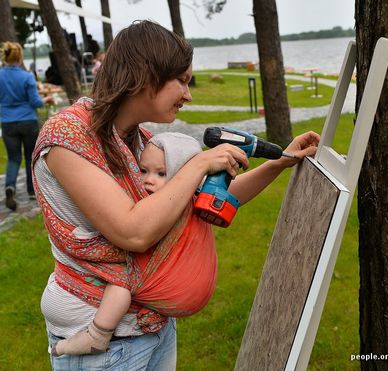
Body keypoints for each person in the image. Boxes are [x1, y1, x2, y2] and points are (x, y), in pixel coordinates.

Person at [32, 20, 320, 370]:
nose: (189, 94)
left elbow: (199, 202)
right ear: (145, 75)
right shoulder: (67, 136)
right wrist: (197, 165)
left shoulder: (136, 140)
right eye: (181, 81)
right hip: (104, 344)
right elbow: (132, 231)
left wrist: (279, 163)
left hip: (152, 326)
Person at [52, 132, 203, 356]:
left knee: (121, 284)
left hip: (152, 265)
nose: (148, 179)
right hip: (149, 265)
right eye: (143, 171)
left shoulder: (179, 202)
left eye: (162, 173)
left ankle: (97, 335)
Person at [0, 41, 53, 211]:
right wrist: (47, 99)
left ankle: (10, 186)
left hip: (8, 122)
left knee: (13, 157)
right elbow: (35, 102)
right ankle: (32, 191)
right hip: (28, 120)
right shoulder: (27, 77)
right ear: (20, 57)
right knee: (31, 157)